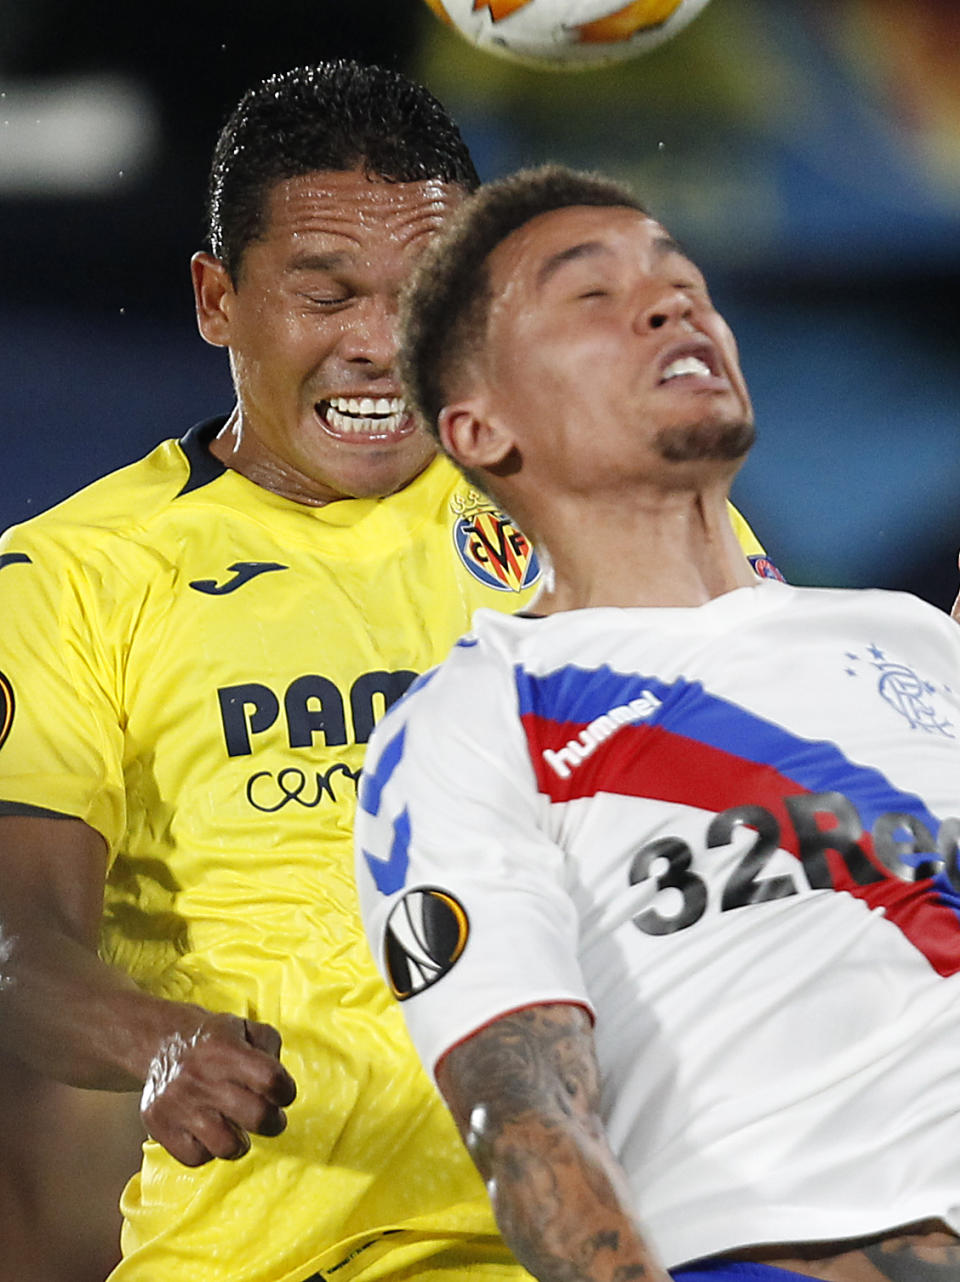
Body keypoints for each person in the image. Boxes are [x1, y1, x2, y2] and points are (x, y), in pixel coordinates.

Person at [0, 67, 769, 1282]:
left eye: (419, 298)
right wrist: (150, 1040)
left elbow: (806, 752)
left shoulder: (592, 506)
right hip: (277, 1255)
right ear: (215, 298)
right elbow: (18, 938)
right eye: (326, 294)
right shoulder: (80, 574)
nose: (376, 345)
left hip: (605, 1241)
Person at [355, 164, 960, 1282]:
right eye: (592, 296)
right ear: (480, 428)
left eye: (682, 279)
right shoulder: (477, 718)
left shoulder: (916, 642)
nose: (671, 301)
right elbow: (524, 1109)